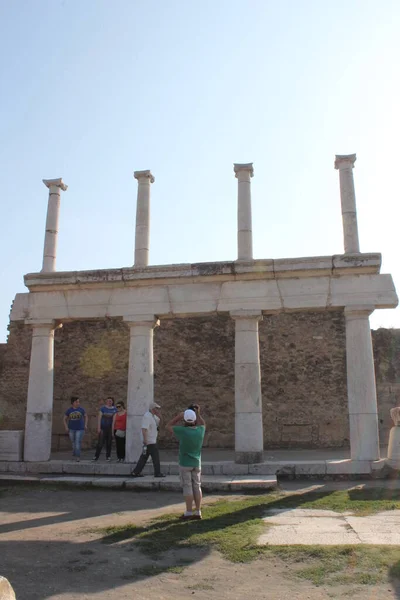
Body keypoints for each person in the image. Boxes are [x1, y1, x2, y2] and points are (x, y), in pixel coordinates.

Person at [167, 404, 206, 520]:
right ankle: (198, 511)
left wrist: (178, 417)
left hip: (185, 463)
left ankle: (189, 512)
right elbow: (203, 423)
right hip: (196, 463)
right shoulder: (200, 430)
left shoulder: (182, 431)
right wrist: (198, 414)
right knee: (197, 486)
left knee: (187, 487)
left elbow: (168, 425)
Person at [131, 402, 166, 478]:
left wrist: (161, 417)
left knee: (144, 457)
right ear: (153, 409)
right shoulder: (147, 416)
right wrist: (145, 440)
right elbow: (144, 429)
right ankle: (157, 473)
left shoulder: (153, 417)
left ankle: (135, 472)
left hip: (152, 440)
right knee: (155, 457)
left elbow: (160, 425)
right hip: (150, 441)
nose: (158, 410)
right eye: (157, 408)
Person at [92, 397, 117, 461]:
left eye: (110, 401)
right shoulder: (103, 408)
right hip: (103, 428)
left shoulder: (115, 409)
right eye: (108, 401)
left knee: (109, 443)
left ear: (112, 402)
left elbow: (114, 421)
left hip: (110, 428)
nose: (109, 402)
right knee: (100, 443)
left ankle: (108, 457)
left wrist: (112, 431)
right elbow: (99, 419)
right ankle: (96, 457)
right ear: (106, 401)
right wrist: (98, 428)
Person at [63, 396, 88, 462]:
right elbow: (64, 419)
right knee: (73, 443)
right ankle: (74, 454)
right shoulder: (69, 410)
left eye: (78, 402)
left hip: (80, 429)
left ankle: (78, 456)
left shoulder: (81, 409)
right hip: (71, 429)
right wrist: (66, 426)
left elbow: (86, 416)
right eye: (76, 402)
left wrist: (85, 425)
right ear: (73, 402)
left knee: (77, 442)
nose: (78, 403)